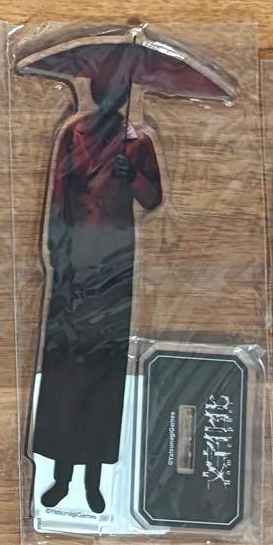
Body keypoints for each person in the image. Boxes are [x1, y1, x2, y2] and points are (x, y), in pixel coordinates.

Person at [33, 62, 163, 513]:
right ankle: (60, 475)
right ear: (95, 90)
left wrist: (134, 176)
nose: (114, 96)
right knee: (66, 371)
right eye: (108, 88)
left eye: (121, 89)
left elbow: (153, 198)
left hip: (116, 269)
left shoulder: (138, 143)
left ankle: (93, 479)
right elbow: (58, 199)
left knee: (104, 370)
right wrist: (58, 259)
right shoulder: (74, 135)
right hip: (74, 267)